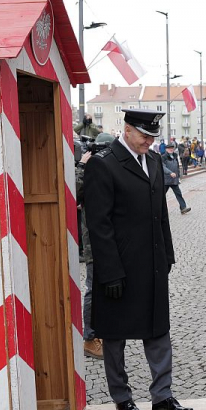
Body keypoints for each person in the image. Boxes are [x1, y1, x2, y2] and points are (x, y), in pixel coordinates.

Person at [84, 108, 194, 410]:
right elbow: (99, 225)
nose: (149, 141)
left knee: (158, 330)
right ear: (127, 130)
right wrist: (110, 272)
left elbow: (160, 213)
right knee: (115, 336)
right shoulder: (103, 165)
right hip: (118, 268)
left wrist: (167, 255)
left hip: (152, 265)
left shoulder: (156, 162)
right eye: (144, 135)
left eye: (152, 136)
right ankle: (122, 399)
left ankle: (162, 397)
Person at [76, 132, 115, 360]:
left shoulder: (107, 167)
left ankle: (100, 333)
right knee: (93, 288)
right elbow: (74, 190)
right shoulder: (88, 168)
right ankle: (90, 338)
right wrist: (82, 165)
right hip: (93, 241)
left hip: (109, 239)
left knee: (104, 288)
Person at [162, 142, 191, 214]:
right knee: (161, 195)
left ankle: (183, 208)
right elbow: (163, 167)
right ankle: (158, 208)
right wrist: (170, 173)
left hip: (174, 180)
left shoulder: (175, 156)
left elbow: (177, 166)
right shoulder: (163, 157)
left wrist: (178, 176)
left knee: (178, 194)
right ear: (166, 149)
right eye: (169, 148)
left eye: (172, 148)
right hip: (166, 180)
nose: (171, 150)